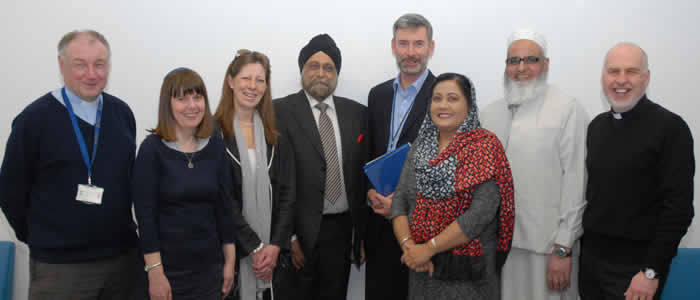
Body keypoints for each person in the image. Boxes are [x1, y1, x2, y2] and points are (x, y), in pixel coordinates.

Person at [0, 30, 140, 299]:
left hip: (122, 262)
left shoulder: (122, 114)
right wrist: (44, 238)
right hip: (60, 269)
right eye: (80, 64)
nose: (91, 73)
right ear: (62, 66)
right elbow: (10, 192)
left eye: (99, 64)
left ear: (108, 67)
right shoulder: (34, 120)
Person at [580, 42, 695, 300]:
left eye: (631, 71)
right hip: (590, 265)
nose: (621, 80)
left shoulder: (671, 129)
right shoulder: (596, 127)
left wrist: (651, 271)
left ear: (646, 78)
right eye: (614, 71)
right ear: (603, 78)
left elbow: (679, 210)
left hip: (637, 272)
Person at [480, 29, 589, 300]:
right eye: (513, 61)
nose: (521, 68)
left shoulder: (567, 109)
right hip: (499, 248)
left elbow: (577, 183)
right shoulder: (490, 113)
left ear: (546, 64)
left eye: (530, 59)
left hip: (547, 250)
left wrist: (563, 248)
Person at [391, 73, 515, 300]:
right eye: (437, 98)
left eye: (452, 98)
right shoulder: (420, 146)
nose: (443, 105)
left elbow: (480, 214)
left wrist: (428, 248)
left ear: (469, 105)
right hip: (421, 269)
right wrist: (410, 247)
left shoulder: (484, 146)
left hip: (468, 275)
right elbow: (400, 201)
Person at [274, 33, 368, 299]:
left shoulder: (357, 113)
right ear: (302, 70)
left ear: (336, 74)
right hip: (299, 233)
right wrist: (289, 238)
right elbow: (276, 179)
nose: (321, 73)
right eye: (313, 66)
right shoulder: (279, 111)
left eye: (329, 68)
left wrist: (359, 235)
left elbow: (361, 177)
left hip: (341, 233)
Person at [132, 68, 236, 300]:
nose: (192, 105)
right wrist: (155, 273)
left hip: (210, 270)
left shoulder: (215, 146)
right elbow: (145, 218)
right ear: (167, 105)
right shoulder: (151, 150)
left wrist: (229, 262)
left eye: (197, 97)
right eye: (182, 98)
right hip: (168, 272)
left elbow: (224, 208)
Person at [365, 13, 436, 300]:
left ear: (431, 48)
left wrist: (405, 201)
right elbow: (369, 155)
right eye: (404, 44)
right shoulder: (377, 95)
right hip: (379, 224)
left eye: (418, 44)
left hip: (424, 229)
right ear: (393, 46)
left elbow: (450, 166)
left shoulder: (445, 95)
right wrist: (370, 192)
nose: (411, 53)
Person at [214, 50, 295, 300]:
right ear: (231, 81)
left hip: (273, 257)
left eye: (260, 80)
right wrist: (255, 246)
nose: (253, 86)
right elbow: (221, 199)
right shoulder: (212, 133)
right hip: (232, 256)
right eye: (246, 78)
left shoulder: (276, 134)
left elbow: (288, 192)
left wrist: (274, 246)